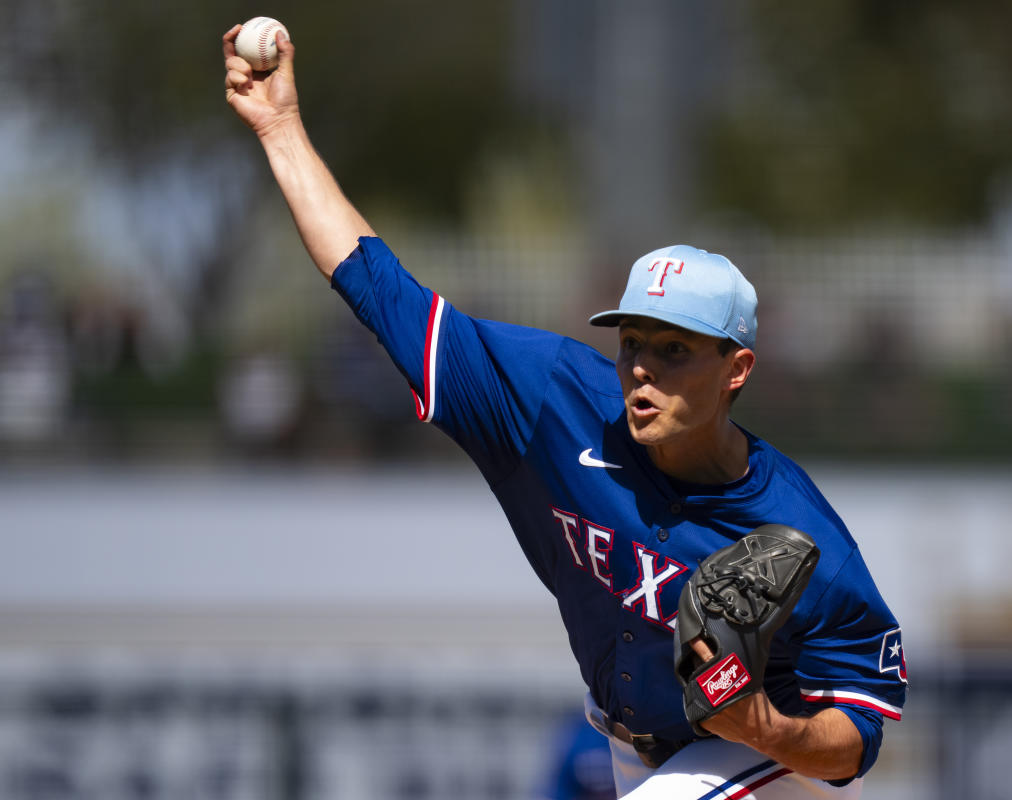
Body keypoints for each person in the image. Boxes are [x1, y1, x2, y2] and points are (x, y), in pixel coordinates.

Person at [222, 24, 907, 799]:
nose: (642, 367)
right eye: (632, 343)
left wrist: (763, 727)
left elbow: (860, 732)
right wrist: (280, 129)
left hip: (744, 750)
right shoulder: (550, 399)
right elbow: (381, 290)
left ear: (736, 369)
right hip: (617, 732)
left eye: (675, 351)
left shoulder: (800, 531)